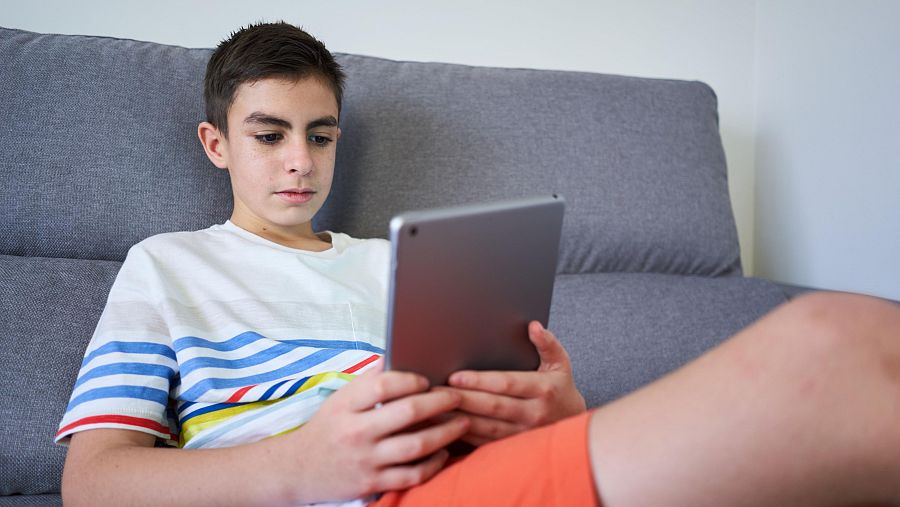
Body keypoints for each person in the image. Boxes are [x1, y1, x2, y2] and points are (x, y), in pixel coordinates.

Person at [58, 22, 900, 507]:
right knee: (835, 337)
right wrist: (301, 465)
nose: (299, 163)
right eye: (269, 134)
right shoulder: (167, 266)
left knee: (860, 354)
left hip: (473, 468)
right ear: (216, 143)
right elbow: (91, 482)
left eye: (320, 135)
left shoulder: (403, 260)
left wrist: (561, 411)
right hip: (356, 493)